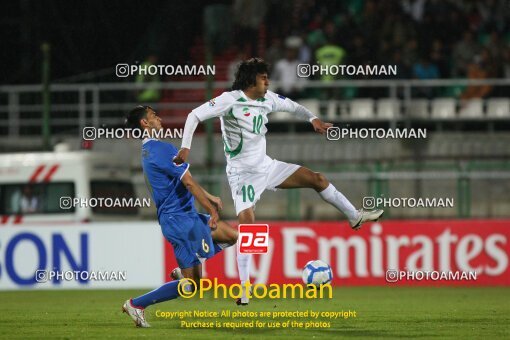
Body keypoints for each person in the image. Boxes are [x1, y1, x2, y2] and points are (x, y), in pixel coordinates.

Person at [175, 58, 384, 305]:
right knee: (249, 226)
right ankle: (244, 289)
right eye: (263, 77)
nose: (267, 80)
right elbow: (194, 115)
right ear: (251, 80)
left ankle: (354, 216)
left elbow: (293, 106)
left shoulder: (268, 99)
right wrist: (185, 148)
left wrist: (313, 119)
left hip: (267, 166)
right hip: (242, 174)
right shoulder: (229, 100)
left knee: (317, 179)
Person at [122, 105, 238, 327]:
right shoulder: (160, 150)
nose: (159, 117)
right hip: (179, 221)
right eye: (153, 115)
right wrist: (212, 209)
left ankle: (192, 263)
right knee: (192, 286)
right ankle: (136, 304)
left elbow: (185, 182)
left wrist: (208, 197)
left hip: (186, 216)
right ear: (144, 123)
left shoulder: (151, 150)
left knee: (232, 236)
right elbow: (188, 182)